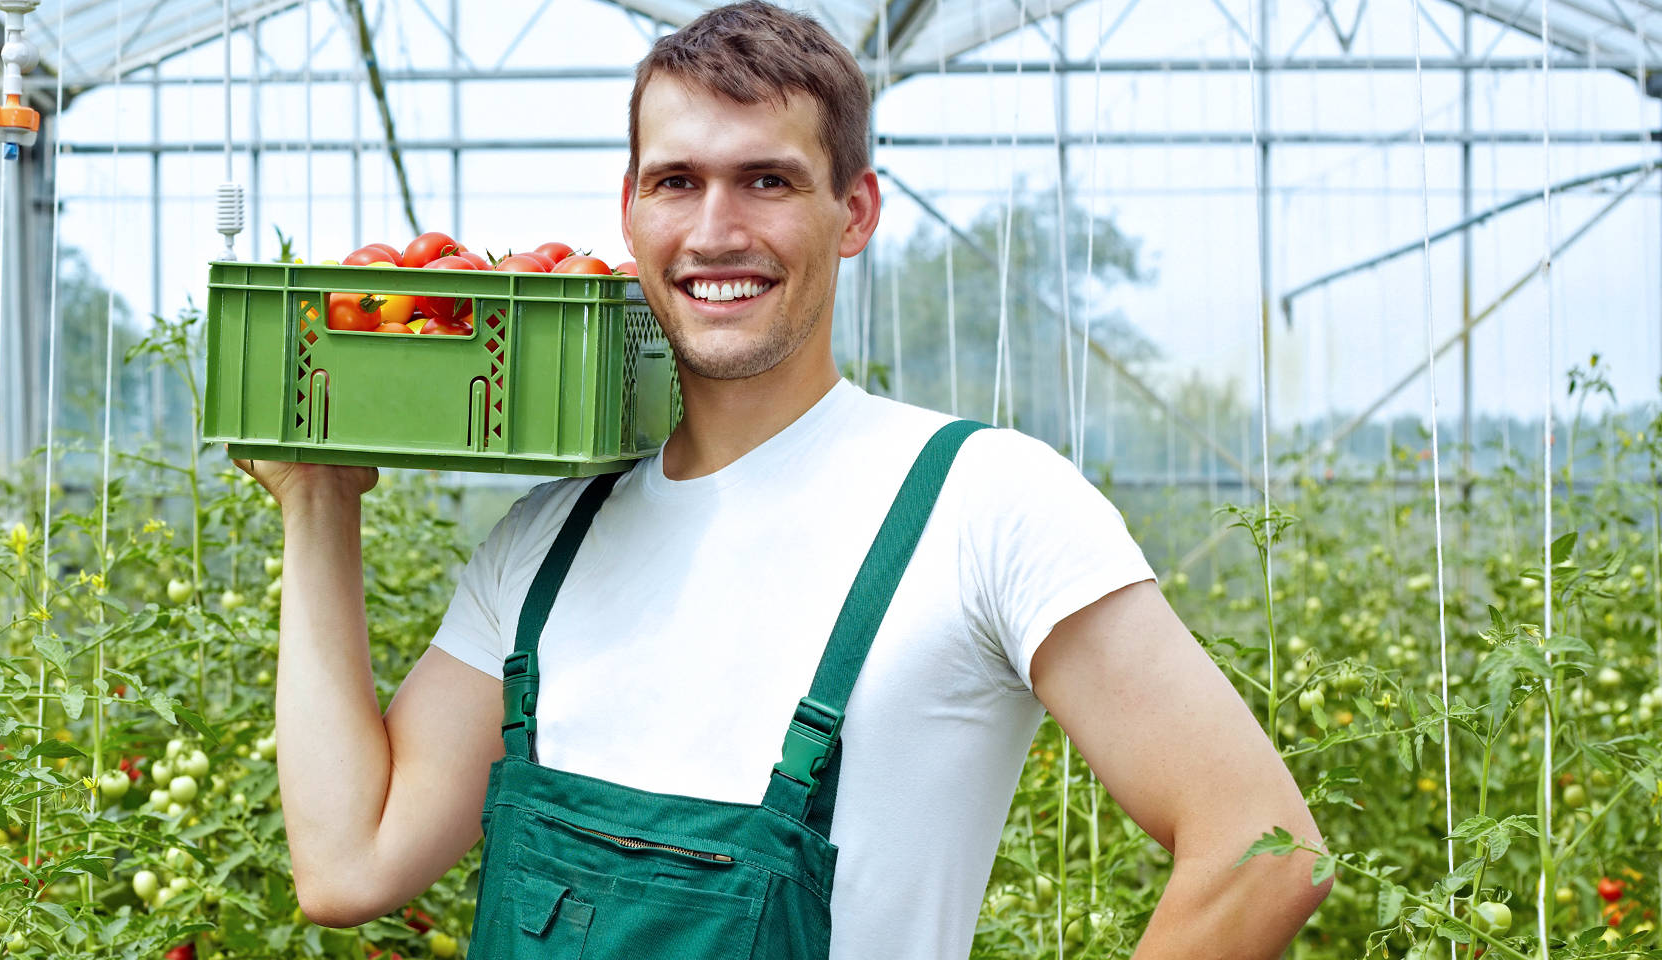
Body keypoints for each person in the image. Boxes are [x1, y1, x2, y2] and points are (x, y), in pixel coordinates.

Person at [235, 3, 1327, 956]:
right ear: (630, 211)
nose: (716, 230)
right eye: (677, 182)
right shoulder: (548, 540)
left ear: (853, 212)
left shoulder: (982, 505)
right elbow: (349, 865)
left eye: (766, 180)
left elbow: (1261, 853)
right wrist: (319, 504)